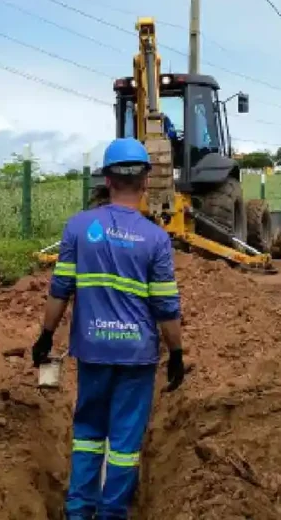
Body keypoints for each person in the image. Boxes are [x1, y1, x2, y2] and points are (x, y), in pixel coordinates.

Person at [32, 137, 185, 520]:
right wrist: (177, 353)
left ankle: (79, 510)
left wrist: (46, 335)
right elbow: (166, 306)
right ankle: (113, 512)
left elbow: (60, 288)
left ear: (106, 178)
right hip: (136, 356)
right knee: (125, 442)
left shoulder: (80, 227)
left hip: (93, 349)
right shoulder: (156, 239)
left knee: (87, 433)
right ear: (146, 181)